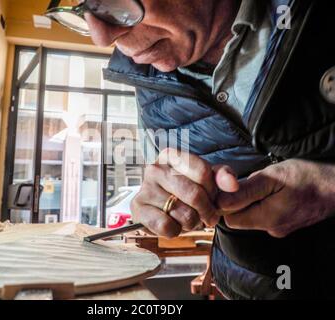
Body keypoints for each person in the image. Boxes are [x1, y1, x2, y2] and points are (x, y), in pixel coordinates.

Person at [47, 0, 335, 299]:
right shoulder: (148, 78)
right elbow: (165, 179)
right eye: (82, 9)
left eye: (112, 1)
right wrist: (164, 197)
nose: (102, 38)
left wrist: (330, 189)